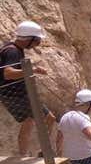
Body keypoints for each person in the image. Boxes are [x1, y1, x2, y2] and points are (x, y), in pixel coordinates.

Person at [0, 21, 56, 156]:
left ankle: (23, 155)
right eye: (36, 41)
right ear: (29, 39)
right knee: (50, 118)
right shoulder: (13, 52)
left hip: (8, 94)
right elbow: (8, 73)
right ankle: (44, 152)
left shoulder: (9, 47)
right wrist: (32, 70)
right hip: (19, 95)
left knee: (28, 121)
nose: (37, 44)